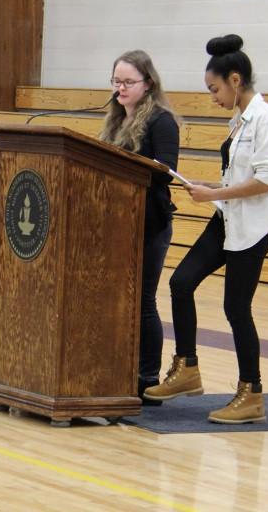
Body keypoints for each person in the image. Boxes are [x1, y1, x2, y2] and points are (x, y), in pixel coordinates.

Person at [144, 34, 268, 425]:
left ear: (235, 80)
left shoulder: (265, 119)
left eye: (215, 88)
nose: (213, 97)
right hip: (227, 217)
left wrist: (214, 193)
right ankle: (187, 367)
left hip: (254, 227)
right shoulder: (240, 121)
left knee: (236, 308)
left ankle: (251, 392)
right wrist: (211, 191)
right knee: (181, 282)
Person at [99, 51, 180, 404]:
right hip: (115, 223)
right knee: (116, 297)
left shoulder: (162, 121)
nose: (121, 88)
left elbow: (166, 170)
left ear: (148, 84)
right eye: (116, 81)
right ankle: (116, 366)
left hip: (150, 222)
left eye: (128, 82)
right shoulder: (114, 122)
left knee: (143, 300)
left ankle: (147, 377)